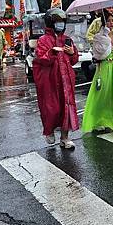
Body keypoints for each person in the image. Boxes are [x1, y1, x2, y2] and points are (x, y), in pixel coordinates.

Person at [33, 8, 79, 148]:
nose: (60, 24)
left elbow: (74, 60)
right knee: (52, 108)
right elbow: (42, 58)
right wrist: (52, 52)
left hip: (66, 82)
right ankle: (49, 131)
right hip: (50, 82)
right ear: (50, 23)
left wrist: (72, 53)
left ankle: (65, 138)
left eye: (62, 22)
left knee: (67, 108)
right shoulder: (43, 40)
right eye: (57, 22)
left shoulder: (67, 39)